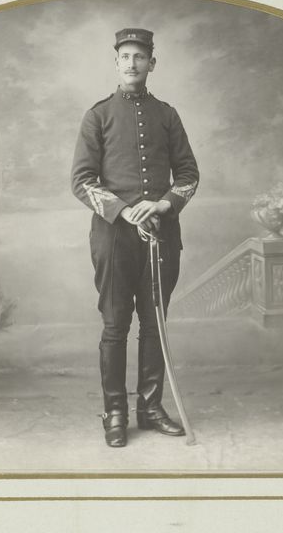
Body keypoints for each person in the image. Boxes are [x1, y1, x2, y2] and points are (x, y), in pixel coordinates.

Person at [71, 28, 199, 448]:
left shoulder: (167, 115)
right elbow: (82, 180)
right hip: (113, 238)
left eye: (139, 56)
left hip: (162, 237)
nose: (132, 63)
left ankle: (150, 408)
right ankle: (114, 412)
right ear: (116, 63)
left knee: (153, 324)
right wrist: (124, 211)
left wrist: (162, 205)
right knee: (115, 325)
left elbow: (188, 175)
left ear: (151, 64)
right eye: (125, 56)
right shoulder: (98, 116)